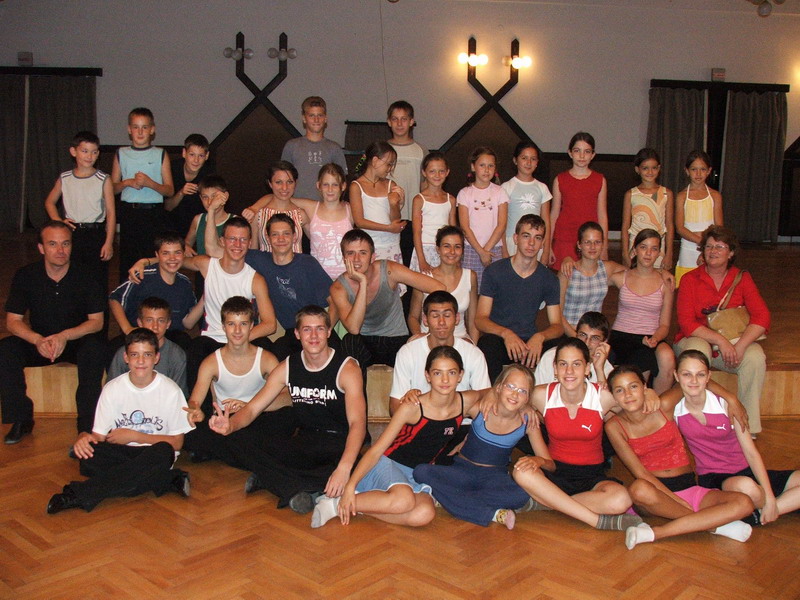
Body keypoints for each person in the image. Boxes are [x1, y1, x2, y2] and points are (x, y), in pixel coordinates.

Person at [210, 305, 366, 514]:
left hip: (340, 442)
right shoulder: (288, 366)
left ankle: (274, 479)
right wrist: (230, 425)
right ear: (297, 334)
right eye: (307, 329)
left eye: (319, 329)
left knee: (357, 470)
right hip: (306, 441)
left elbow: (358, 424)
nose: (313, 336)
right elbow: (253, 409)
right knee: (238, 439)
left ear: (329, 332)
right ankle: (299, 488)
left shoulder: (347, 369)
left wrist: (344, 468)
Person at [314, 346, 475, 528]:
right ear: (427, 376)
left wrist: (469, 438)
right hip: (388, 463)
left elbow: (490, 400)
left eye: (451, 372)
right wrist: (350, 485)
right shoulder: (412, 407)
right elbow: (376, 451)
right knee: (404, 501)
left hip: (417, 473)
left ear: (460, 375)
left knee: (424, 514)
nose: (445, 379)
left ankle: (360, 505)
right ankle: (335, 503)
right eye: (437, 373)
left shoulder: (466, 401)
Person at [605, 365, 754, 549]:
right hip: (654, 493)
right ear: (613, 396)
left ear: (645, 387)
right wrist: (676, 500)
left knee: (744, 503)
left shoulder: (664, 406)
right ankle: (713, 526)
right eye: (619, 390)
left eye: (633, 386)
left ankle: (657, 532)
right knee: (638, 489)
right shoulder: (614, 426)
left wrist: (731, 398)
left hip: (688, 486)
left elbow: (694, 381)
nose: (628, 394)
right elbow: (641, 473)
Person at [46, 328, 193, 514]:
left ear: (156, 358)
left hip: (153, 452)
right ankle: (166, 479)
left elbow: (177, 443)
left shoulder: (171, 391)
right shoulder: (112, 389)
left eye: (147, 355)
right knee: (89, 457)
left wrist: (135, 436)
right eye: (134, 355)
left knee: (164, 451)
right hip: (123, 452)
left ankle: (80, 494)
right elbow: (99, 436)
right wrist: (84, 438)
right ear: (126, 358)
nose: (141, 361)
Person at [127, 216, 277, 394]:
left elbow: (270, 324)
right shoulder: (207, 265)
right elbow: (174, 259)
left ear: (250, 243)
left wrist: (240, 338)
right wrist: (144, 261)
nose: (237, 244)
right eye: (232, 239)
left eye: (243, 239)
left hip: (242, 336)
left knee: (266, 345)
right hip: (212, 338)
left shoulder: (255, 280)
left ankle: (261, 405)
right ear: (222, 241)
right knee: (195, 350)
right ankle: (198, 409)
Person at [511, 339, 645, 531]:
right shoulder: (541, 395)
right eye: (563, 364)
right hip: (554, 472)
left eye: (576, 364)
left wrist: (649, 396)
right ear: (555, 369)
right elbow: (506, 395)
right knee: (521, 472)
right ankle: (595, 519)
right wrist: (525, 407)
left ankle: (546, 502)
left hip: (592, 476)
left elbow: (635, 403)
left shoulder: (602, 397)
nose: (569, 371)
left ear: (587, 368)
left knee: (621, 499)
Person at [1, 221, 105, 443]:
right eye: (53, 244)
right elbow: (13, 321)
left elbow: (97, 322)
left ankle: (86, 426)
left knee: (95, 349)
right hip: (41, 341)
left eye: (65, 244)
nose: (60, 250)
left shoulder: (87, 275)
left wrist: (65, 336)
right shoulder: (26, 275)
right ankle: (21, 418)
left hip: (76, 340)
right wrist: (37, 340)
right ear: (41, 248)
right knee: (6, 349)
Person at [672, 350, 800, 525]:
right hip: (714, 477)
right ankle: (776, 506)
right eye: (687, 374)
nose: (694, 381)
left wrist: (770, 498)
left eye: (700, 374)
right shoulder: (675, 411)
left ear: (708, 376)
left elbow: (751, 452)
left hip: (745, 470)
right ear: (676, 376)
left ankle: (761, 514)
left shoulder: (727, 405)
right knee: (748, 488)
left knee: (753, 487)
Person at [413, 364, 545, 529]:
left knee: (521, 495)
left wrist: (538, 460)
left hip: (493, 477)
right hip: (462, 470)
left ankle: (448, 498)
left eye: (522, 391)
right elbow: (445, 403)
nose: (514, 394)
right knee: (421, 471)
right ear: (498, 388)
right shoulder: (479, 409)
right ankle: (493, 514)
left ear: (527, 398)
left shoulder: (528, 423)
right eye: (510, 386)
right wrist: (415, 397)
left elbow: (549, 463)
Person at [674, 225, 769, 434]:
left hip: (733, 343)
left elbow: (762, 317)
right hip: (696, 339)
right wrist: (720, 341)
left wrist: (741, 346)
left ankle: (746, 425)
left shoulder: (742, 278)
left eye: (719, 247)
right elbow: (687, 323)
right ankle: (695, 419)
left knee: (755, 357)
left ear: (731, 252)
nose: (713, 251)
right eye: (708, 246)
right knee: (698, 353)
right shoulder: (690, 279)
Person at [204, 213, 335, 360]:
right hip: (292, 333)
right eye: (275, 234)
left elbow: (334, 301)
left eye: (286, 234)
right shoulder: (259, 260)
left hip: (317, 327)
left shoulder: (308, 263)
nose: (281, 239)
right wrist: (212, 211)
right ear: (267, 238)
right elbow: (213, 250)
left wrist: (323, 330)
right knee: (275, 353)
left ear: (294, 236)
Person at [182, 296, 294, 464]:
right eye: (231, 324)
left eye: (243, 324)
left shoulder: (266, 359)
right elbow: (195, 401)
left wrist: (248, 406)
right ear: (223, 327)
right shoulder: (211, 362)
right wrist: (194, 411)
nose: (237, 330)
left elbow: (289, 398)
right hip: (225, 420)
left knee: (287, 417)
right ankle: (252, 453)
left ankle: (228, 450)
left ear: (251, 325)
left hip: (257, 417)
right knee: (190, 435)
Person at [330, 230, 444, 369]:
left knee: (414, 350)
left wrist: (428, 331)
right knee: (350, 341)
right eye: (350, 253)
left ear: (373, 257)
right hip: (365, 340)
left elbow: (438, 287)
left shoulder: (388, 270)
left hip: (395, 338)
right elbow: (354, 328)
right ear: (344, 258)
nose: (356, 259)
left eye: (363, 253)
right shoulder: (339, 287)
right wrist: (363, 283)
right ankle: (358, 384)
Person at [476, 214, 562, 382]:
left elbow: (557, 325)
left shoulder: (549, 278)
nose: (531, 243)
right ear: (516, 239)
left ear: (543, 243)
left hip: (530, 341)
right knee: (487, 345)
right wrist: (506, 333)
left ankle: (546, 396)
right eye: (526, 236)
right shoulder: (494, 271)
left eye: (537, 238)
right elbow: (480, 319)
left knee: (559, 347)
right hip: (500, 339)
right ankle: (492, 394)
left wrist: (540, 337)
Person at [391, 291, 490, 412]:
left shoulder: (473, 354)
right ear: (425, 319)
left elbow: (485, 399)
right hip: (420, 419)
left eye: (447, 315)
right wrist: (410, 400)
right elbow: (395, 407)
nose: (441, 322)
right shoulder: (408, 352)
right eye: (435, 316)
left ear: (457, 318)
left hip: (463, 420)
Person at [43, 130, 115, 288]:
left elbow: (111, 213)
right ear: (73, 151)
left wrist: (109, 242)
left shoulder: (103, 179)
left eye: (94, 152)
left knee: (97, 278)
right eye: (85, 151)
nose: (89, 156)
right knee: (73, 276)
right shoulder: (65, 178)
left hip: (95, 234)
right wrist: (59, 222)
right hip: (73, 232)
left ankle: (97, 304)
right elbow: (49, 202)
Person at [608, 228, 676, 394]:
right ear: (635, 249)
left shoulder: (665, 283)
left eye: (654, 248)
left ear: (659, 253)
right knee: (638, 358)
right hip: (621, 335)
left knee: (665, 356)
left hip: (650, 336)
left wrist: (655, 339)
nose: (648, 253)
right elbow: (594, 270)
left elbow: (665, 325)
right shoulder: (621, 277)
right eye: (643, 247)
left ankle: (658, 404)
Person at [111, 107, 174, 281]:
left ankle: (153, 294)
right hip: (130, 213)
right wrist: (127, 183)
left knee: (152, 258)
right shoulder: (121, 153)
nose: (140, 132)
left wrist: (150, 183)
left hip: (153, 214)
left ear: (152, 130)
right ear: (129, 129)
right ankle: (128, 293)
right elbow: (112, 188)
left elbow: (169, 190)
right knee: (128, 259)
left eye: (144, 127)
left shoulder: (160, 154)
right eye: (136, 127)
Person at [110, 231, 201, 351]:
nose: (172, 258)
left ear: (184, 254)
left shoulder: (185, 283)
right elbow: (114, 299)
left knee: (185, 342)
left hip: (169, 337)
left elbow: (188, 323)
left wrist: (206, 296)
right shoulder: (142, 276)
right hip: (140, 334)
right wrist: (127, 329)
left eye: (177, 253)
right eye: (166, 253)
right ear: (157, 255)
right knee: (113, 349)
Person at [407, 226, 479, 341]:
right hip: (429, 339)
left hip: (459, 339)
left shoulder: (470, 276)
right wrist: (420, 338)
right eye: (447, 246)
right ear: (438, 249)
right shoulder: (424, 277)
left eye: (457, 247)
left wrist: (474, 346)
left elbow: (472, 320)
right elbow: (413, 317)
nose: (452, 251)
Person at [549, 132, 607, 269]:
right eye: (577, 151)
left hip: (590, 239)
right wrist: (548, 245)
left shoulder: (600, 180)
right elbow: (554, 214)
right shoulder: (560, 179)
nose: (582, 156)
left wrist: (604, 247)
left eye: (587, 151)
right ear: (570, 153)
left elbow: (602, 215)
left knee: (588, 276)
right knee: (564, 277)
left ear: (593, 155)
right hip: (565, 238)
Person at [558, 222, 625, 338]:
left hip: (595, 334)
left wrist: (659, 272)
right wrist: (576, 337)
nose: (592, 247)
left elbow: (636, 273)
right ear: (579, 245)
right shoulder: (567, 271)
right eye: (587, 242)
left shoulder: (607, 268)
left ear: (603, 244)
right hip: (569, 332)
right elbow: (557, 313)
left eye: (597, 242)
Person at [107, 297, 188, 395]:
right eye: (149, 320)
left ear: (168, 324)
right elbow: (112, 390)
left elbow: (177, 395)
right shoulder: (125, 352)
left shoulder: (177, 355)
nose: (155, 326)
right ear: (140, 323)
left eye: (161, 321)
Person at [456, 146, 509, 288]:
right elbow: (465, 227)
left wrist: (487, 250)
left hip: (494, 249)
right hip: (471, 249)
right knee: (471, 289)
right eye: (482, 165)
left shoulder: (500, 192)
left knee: (494, 289)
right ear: (473, 167)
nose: (487, 170)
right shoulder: (464, 193)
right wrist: (481, 251)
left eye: (491, 166)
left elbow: (502, 225)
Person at [290, 163, 352, 280]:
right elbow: (280, 198)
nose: (330, 189)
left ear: (343, 186)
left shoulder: (350, 210)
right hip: (317, 277)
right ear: (318, 185)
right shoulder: (311, 207)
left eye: (335, 184)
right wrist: (255, 208)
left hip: (346, 278)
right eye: (325, 184)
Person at [280, 96, 348, 202]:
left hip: (325, 207)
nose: (316, 120)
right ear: (304, 118)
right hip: (297, 205)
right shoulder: (292, 146)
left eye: (320, 115)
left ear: (325, 118)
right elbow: (282, 179)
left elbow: (341, 182)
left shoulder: (334, 148)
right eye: (311, 115)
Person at [349, 141, 406, 264]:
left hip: (391, 242)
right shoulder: (356, 186)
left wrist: (395, 204)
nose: (390, 168)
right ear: (375, 161)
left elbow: (395, 220)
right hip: (370, 244)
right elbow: (359, 221)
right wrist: (388, 228)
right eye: (388, 164)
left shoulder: (391, 184)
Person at [387, 100, 427, 265]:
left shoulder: (421, 151)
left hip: (413, 218)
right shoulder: (382, 150)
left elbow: (426, 185)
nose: (399, 123)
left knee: (410, 264)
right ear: (389, 122)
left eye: (404, 119)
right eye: (395, 119)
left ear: (411, 122)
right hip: (387, 218)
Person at [675, 150, 724, 286]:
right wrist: (702, 242)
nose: (698, 174)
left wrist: (707, 247)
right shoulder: (681, 196)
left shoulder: (715, 196)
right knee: (687, 286)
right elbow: (680, 228)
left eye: (702, 169)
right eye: (694, 169)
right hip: (688, 249)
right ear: (687, 171)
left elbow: (719, 228)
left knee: (708, 286)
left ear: (709, 171)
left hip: (710, 249)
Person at [621, 148, 674, 270]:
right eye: (645, 168)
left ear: (659, 168)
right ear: (637, 169)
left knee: (657, 278)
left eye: (654, 168)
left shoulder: (667, 193)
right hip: (636, 246)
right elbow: (625, 226)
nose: (650, 172)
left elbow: (669, 225)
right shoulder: (631, 194)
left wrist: (669, 253)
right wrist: (624, 253)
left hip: (658, 247)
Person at [501, 141, 552, 262]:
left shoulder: (542, 188)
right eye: (524, 158)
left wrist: (546, 250)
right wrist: (504, 250)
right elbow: (502, 223)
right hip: (512, 242)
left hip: (535, 243)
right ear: (515, 160)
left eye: (533, 159)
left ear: (537, 162)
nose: (528, 163)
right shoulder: (506, 187)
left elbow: (546, 221)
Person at [243, 161, 310, 253]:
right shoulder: (259, 214)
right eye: (278, 182)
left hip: (296, 262)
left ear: (296, 183)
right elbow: (253, 250)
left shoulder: (301, 214)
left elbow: (318, 241)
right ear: (270, 184)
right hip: (266, 262)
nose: (284, 187)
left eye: (289, 182)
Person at [535, 311, 613, 387]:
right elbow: (537, 392)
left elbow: (605, 395)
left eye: (594, 338)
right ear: (576, 334)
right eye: (583, 335)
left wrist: (599, 370)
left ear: (604, 342)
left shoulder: (605, 367)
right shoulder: (550, 356)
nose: (586, 342)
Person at [409, 152, 456, 274]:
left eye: (441, 171)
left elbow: (453, 230)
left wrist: (454, 253)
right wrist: (421, 259)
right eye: (432, 171)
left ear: (447, 172)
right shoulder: (419, 200)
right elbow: (416, 232)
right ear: (424, 173)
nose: (437, 175)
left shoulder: (450, 199)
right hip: (424, 249)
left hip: (445, 250)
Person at [165, 134, 212, 236]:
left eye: (201, 156)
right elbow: (167, 207)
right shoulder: (172, 170)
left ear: (207, 156)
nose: (196, 160)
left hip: (198, 228)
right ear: (184, 153)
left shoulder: (209, 176)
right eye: (192, 155)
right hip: (171, 228)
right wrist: (181, 193)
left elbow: (211, 209)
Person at [184, 175, 231, 257]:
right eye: (205, 197)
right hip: (202, 264)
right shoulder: (198, 219)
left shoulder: (234, 221)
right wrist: (185, 246)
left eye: (214, 196)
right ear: (201, 198)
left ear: (225, 196)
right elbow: (187, 242)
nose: (210, 202)